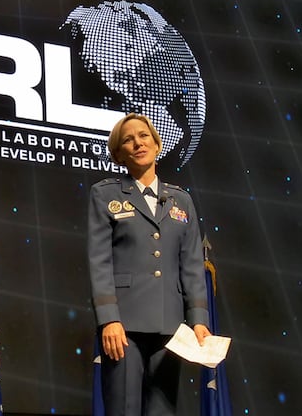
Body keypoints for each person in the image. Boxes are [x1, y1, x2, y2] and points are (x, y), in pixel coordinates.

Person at [87, 113, 211, 415]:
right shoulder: (105, 195)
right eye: (128, 140)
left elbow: (192, 265)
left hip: (171, 328)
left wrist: (198, 319)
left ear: (157, 144)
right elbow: (99, 261)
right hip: (124, 327)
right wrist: (109, 319)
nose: (138, 143)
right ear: (119, 154)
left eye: (144, 136)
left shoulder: (181, 201)